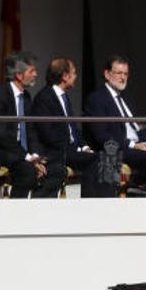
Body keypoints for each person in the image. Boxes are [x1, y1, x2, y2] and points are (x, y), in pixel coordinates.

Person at [0, 52, 61, 198]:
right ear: (19, 75)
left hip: (22, 153)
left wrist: (35, 155)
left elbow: (31, 131)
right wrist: (27, 157)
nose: (36, 74)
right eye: (31, 71)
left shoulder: (26, 97)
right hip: (0, 150)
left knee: (56, 169)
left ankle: (38, 210)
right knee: (27, 171)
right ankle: (16, 212)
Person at [32, 58, 103, 197]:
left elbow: (73, 128)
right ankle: (90, 204)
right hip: (56, 152)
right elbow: (47, 133)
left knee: (105, 158)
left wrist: (84, 146)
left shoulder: (64, 97)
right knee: (98, 159)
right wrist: (73, 148)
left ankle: (104, 202)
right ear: (64, 76)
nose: (76, 76)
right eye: (74, 73)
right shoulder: (44, 98)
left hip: (70, 150)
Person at [83, 54, 146, 192]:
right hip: (119, 149)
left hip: (137, 146)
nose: (123, 77)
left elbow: (137, 127)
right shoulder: (97, 99)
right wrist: (134, 145)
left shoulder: (124, 98)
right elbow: (101, 136)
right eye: (119, 73)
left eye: (126, 74)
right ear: (107, 74)